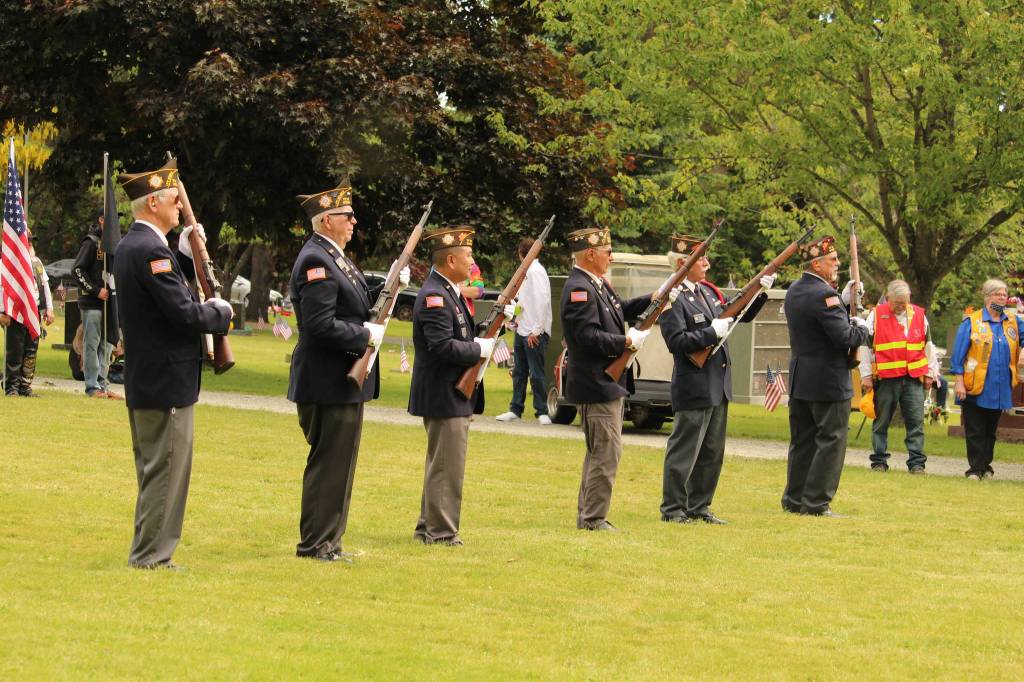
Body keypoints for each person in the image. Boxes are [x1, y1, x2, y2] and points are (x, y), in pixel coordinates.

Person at [113, 158, 233, 569]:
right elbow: (182, 313)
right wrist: (221, 312)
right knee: (165, 472)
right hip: (165, 380)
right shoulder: (149, 250)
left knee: (157, 471)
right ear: (153, 204)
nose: (180, 206)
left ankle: (151, 552)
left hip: (152, 377)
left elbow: (165, 294)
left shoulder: (140, 247)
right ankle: (151, 556)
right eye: (173, 199)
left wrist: (184, 255)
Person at [287, 183, 408, 562]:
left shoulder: (335, 257)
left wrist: (390, 285)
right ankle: (315, 545)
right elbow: (319, 326)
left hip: (341, 380)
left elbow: (357, 301)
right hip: (328, 381)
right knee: (329, 466)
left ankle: (329, 542)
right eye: (346, 216)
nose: (354, 221)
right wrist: (364, 334)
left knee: (340, 468)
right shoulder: (316, 261)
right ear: (325, 220)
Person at [408, 226, 514, 546]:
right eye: (468, 255)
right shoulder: (436, 296)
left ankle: (428, 526)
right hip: (444, 390)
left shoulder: (448, 290)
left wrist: (494, 327)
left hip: (450, 390)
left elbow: (462, 337)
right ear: (450, 259)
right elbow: (443, 346)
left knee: (441, 465)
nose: (472, 261)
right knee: (447, 468)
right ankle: (441, 533)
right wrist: (480, 349)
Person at [659, 234, 774, 525]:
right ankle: (673, 509)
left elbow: (738, 317)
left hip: (717, 383)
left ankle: (699, 506)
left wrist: (759, 294)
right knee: (685, 450)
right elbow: (676, 341)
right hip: (694, 383)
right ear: (684, 263)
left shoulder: (706, 292)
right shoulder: (673, 297)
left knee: (711, 452)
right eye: (702, 259)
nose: (708, 263)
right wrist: (712, 332)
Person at [561, 227, 652, 531]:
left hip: (605, 382)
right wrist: (626, 343)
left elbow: (619, 309)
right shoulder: (580, 288)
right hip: (595, 382)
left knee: (600, 452)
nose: (611, 256)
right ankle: (593, 518)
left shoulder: (597, 284)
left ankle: (588, 514)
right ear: (590, 254)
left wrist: (654, 298)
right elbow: (587, 336)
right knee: (606, 453)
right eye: (607, 251)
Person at [781, 235, 870, 517]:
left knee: (803, 441)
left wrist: (843, 304)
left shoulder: (796, 289)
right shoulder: (824, 295)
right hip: (827, 380)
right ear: (817, 265)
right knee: (831, 440)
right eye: (832, 260)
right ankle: (817, 503)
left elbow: (820, 321)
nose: (838, 264)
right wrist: (864, 328)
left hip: (802, 378)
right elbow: (843, 337)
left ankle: (795, 499)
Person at [858, 279, 937, 474]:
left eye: (904, 302)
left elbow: (928, 347)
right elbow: (865, 347)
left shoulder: (919, 315)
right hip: (886, 378)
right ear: (888, 298)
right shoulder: (876, 315)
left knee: (915, 422)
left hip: (913, 378)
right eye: (897, 302)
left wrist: (930, 374)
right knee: (881, 420)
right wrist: (866, 376)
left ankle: (917, 463)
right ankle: (879, 461)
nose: (901, 306)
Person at [950, 279, 1024, 480]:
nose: (1002, 297)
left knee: (991, 431)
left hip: (1000, 387)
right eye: (998, 294)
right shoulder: (972, 322)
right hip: (974, 385)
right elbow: (958, 355)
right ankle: (975, 469)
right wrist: (958, 382)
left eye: (1004, 294)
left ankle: (986, 466)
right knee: (975, 429)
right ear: (987, 297)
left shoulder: (1013, 322)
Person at [496, 237, 553, 425]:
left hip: (533, 331)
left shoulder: (536, 271)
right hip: (522, 329)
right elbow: (524, 302)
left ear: (521, 253)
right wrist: (513, 319)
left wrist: (536, 331)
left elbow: (543, 302)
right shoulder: (527, 272)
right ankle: (516, 409)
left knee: (536, 373)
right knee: (519, 372)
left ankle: (542, 411)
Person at [72, 214, 120, 399]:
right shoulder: (91, 242)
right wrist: (95, 290)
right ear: (101, 219)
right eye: (111, 218)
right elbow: (77, 270)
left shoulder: (115, 244)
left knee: (107, 345)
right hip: (92, 303)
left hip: (110, 304)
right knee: (91, 344)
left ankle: (102, 384)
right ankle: (92, 386)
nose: (115, 222)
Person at [3, 233, 54, 397]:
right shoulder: (8, 263)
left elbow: (44, 286)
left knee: (31, 352)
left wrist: (49, 308)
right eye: (27, 241)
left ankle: (25, 386)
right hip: (16, 314)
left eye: (31, 241)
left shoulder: (36, 262)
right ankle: (12, 387)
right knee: (15, 352)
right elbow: (2, 288)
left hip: (34, 313)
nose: (30, 244)